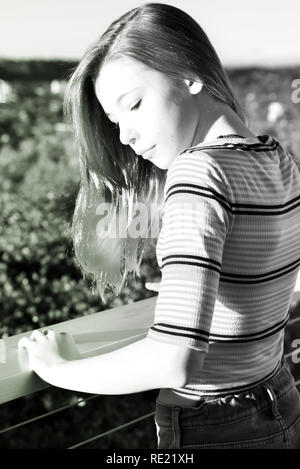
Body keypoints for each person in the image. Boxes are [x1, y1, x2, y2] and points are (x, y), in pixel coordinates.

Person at [18, 3, 300, 449]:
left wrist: (57, 370)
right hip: (279, 403)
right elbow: (260, 268)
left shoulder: (197, 173)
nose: (125, 135)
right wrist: (191, 286)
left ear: (189, 73)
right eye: (115, 122)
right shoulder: (277, 158)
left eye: (133, 104)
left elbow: (174, 359)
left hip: (216, 425)